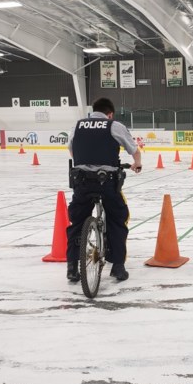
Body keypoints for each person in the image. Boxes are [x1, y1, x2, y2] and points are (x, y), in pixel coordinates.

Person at [66, 98, 143, 282]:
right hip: (106, 182)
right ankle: (117, 266)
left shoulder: (77, 126)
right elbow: (134, 150)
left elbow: (71, 150)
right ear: (110, 114)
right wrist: (137, 164)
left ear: (93, 111)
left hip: (82, 182)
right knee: (118, 219)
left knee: (76, 222)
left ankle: (72, 266)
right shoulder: (114, 125)